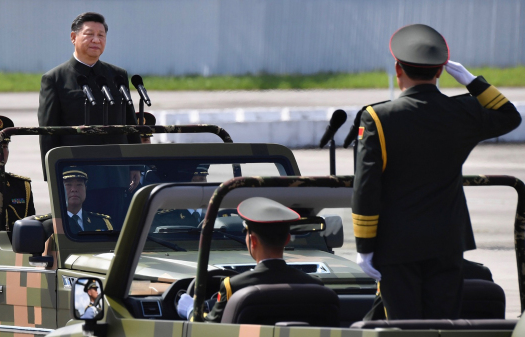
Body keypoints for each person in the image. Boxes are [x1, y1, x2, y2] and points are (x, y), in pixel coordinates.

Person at [351, 24, 521, 320]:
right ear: (441, 71)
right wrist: (472, 81)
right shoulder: (464, 112)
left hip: (396, 245)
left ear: (397, 69)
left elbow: (367, 187)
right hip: (447, 241)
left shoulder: (378, 118)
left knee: (404, 326)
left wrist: (365, 246)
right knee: (444, 325)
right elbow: (509, 116)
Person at [37, 11, 141, 190]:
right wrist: (52, 175)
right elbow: (48, 133)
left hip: (116, 173)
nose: (96, 40)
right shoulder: (55, 79)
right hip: (76, 176)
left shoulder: (117, 76)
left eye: (101, 35)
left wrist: (136, 165)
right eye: (89, 34)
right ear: (73, 37)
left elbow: (130, 124)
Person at [177, 197, 323, 322]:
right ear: (287, 239)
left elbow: (209, 330)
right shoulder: (315, 286)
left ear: (252, 241)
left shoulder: (234, 286)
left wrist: (191, 310)